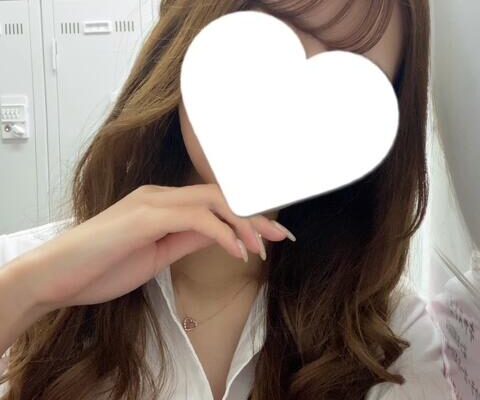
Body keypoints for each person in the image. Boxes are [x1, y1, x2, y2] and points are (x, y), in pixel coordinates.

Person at [0, 0, 453, 399]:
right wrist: (27, 293)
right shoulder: (24, 272)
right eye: (272, 36)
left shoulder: (392, 338)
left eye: (349, 86)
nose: (291, 109)